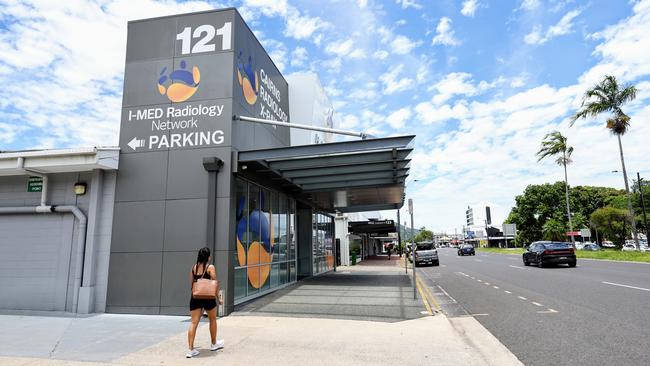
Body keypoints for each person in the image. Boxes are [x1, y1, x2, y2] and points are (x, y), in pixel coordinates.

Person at [186, 247, 224, 358]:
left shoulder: (193, 268)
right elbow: (215, 283)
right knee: (212, 320)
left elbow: (192, 285)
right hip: (208, 298)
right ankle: (213, 344)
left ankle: (190, 349)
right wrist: (219, 298)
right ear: (208, 257)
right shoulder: (210, 267)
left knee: (193, 323)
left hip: (196, 297)